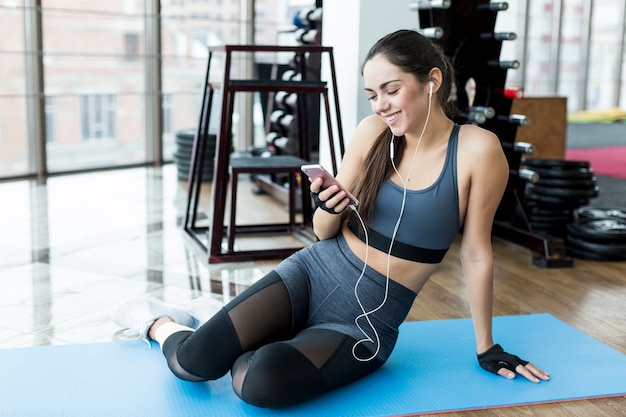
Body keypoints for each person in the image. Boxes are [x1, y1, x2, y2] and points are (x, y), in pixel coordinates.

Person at [112, 29, 550, 409]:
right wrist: (329, 206)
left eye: (391, 90)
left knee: (254, 380)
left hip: (366, 320)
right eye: (373, 95)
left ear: (432, 81)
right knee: (192, 364)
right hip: (313, 273)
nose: (381, 105)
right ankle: (158, 320)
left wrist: (485, 347)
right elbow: (324, 234)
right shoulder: (372, 133)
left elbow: (475, 253)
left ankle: (229, 323)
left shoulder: (477, 149)